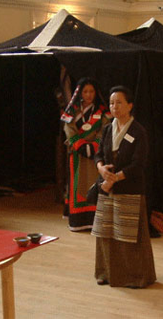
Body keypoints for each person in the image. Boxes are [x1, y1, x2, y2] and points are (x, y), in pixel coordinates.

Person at [91, 86, 156, 288]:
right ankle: (106, 273)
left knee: (129, 237)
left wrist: (114, 178)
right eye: (111, 103)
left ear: (130, 105)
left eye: (119, 102)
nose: (114, 107)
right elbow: (99, 154)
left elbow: (138, 164)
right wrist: (102, 170)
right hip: (108, 188)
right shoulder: (109, 128)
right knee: (105, 233)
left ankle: (135, 277)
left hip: (130, 189)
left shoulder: (138, 131)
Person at [61, 77, 112, 231]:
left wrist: (95, 145)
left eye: (91, 91)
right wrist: (81, 145)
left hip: (96, 156)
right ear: (80, 93)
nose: (89, 95)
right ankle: (78, 220)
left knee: (95, 183)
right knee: (78, 184)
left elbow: (105, 128)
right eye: (85, 91)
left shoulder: (103, 111)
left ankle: (95, 219)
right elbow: (68, 129)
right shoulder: (72, 111)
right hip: (77, 154)